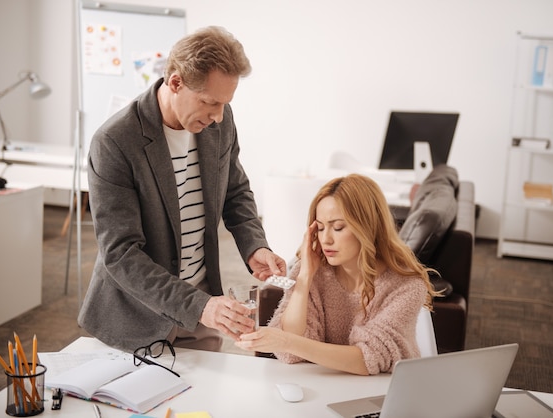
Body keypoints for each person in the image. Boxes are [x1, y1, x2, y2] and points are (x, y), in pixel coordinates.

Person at [78, 26, 286, 353]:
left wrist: (254, 246)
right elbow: (120, 253)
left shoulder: (220, 119)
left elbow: (235, 190)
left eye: (224, 104)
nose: (218, 116)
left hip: (201, 310)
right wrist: (199, 305)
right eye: (209, 102)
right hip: (137, 318)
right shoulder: (115, 142)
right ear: (175, 83)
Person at [235, 174, 438, 375]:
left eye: (338, 227)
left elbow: (368, 359)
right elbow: (290, 355)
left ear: (367, 227)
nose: (326, 239)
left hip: (385, 393)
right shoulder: (314, 272)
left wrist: (287, 342)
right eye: (320, 228)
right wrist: (304, 277)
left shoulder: (406, 286)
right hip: (326, 390)